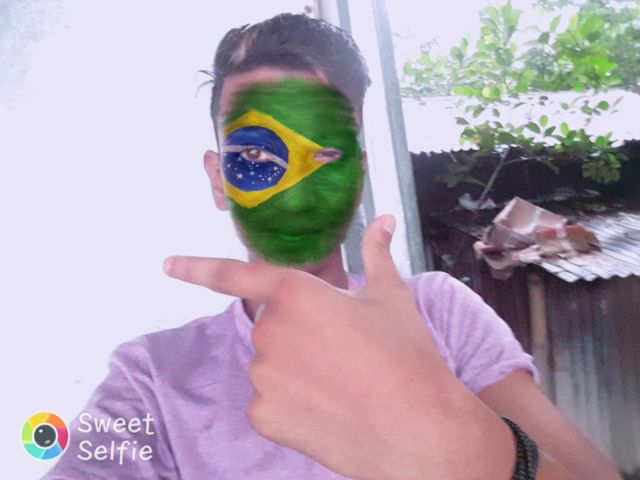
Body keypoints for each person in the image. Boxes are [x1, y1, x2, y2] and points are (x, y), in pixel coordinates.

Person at [43, 13, 621, 480]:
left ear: (358, 176)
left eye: (325, 154)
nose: (295, 193)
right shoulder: (151, 379)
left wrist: (469, 455)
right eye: (255, 155)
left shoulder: (439, 312)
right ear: (218, 180)